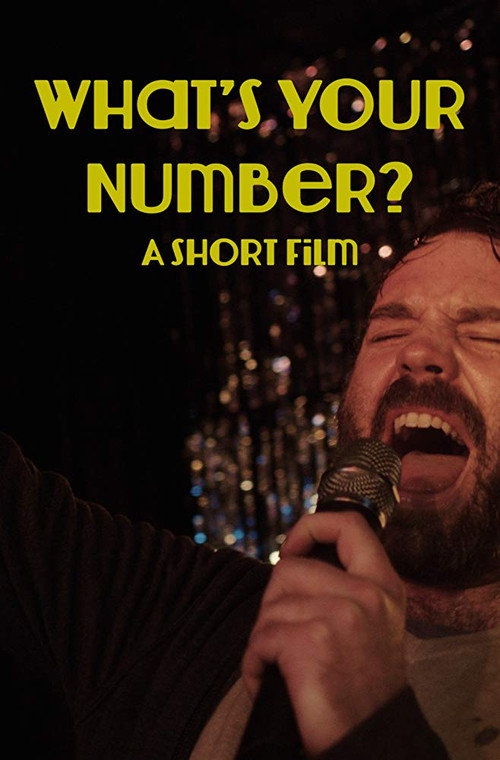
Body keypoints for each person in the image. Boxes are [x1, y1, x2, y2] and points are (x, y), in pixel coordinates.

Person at [1, 182, 499, 760]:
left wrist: (373, 729)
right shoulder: (183, 619)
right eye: (388, 331)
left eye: (486, 333)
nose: (417, 351)